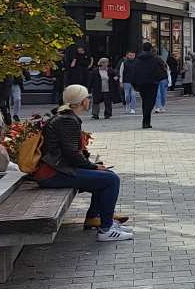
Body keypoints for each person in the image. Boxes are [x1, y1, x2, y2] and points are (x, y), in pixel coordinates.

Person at [35, 85, 132, 241]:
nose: (89, 100)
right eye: (87, 97)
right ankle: (106, 229)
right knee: (111, 179)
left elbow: (70, 151)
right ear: (81, 101)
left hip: (58, 169)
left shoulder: (64, 117)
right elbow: (71, 153)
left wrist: (93, 166)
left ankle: (95, 217)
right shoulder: (67, 120)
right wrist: (93, 166)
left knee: (105, 177)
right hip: (54, 173)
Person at [125, 43, 165, 128]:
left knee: (145, 101)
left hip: (142, 84)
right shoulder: (155, 58)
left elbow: (134, 72)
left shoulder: (138, 60)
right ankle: (146, 120)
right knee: (151, 102)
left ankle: (145, 121)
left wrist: (134, 83)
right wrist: (159, 78)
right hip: (152, 83)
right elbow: (162, 68)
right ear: (150, 49)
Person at [118, 51, 138, 115]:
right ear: (127, 55)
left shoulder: (137, 62)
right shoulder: (124, 63)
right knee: (127, 95)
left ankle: (133, 108)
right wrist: (121, 82)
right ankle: (127, 104)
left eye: (132, 55)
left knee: (133, 95)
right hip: (126, 81)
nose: (131, 56)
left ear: (134, 55)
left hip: (134, 81)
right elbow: (121, 72)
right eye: (130, 55)